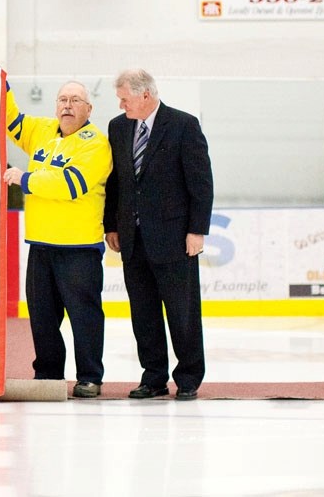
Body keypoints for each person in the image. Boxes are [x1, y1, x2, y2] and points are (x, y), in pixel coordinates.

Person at [104, 68, 214, 401]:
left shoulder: (183, 125)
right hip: (132, 239)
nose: (122, 105)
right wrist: (111, 224)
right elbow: (116, 181)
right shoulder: (118, 127)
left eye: (125, 99)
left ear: (145, 95)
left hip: (174, 237)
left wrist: (197, 230)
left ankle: (189, 377)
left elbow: (201, 183)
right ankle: (153, 377)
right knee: (144, 312)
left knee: (182, 312)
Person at [3, 80, 113, 398]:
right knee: (42, 317)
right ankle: (48, 374)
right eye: (62, 99)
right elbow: (11, 120)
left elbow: (72, 184)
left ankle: (90, 376)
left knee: (84, 316)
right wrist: (2, 84)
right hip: (41, 244)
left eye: (75, 100)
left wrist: (25, 178)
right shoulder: (43, 130)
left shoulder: (95, 144)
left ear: (88, 109)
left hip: (78, 247)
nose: (67, 105)